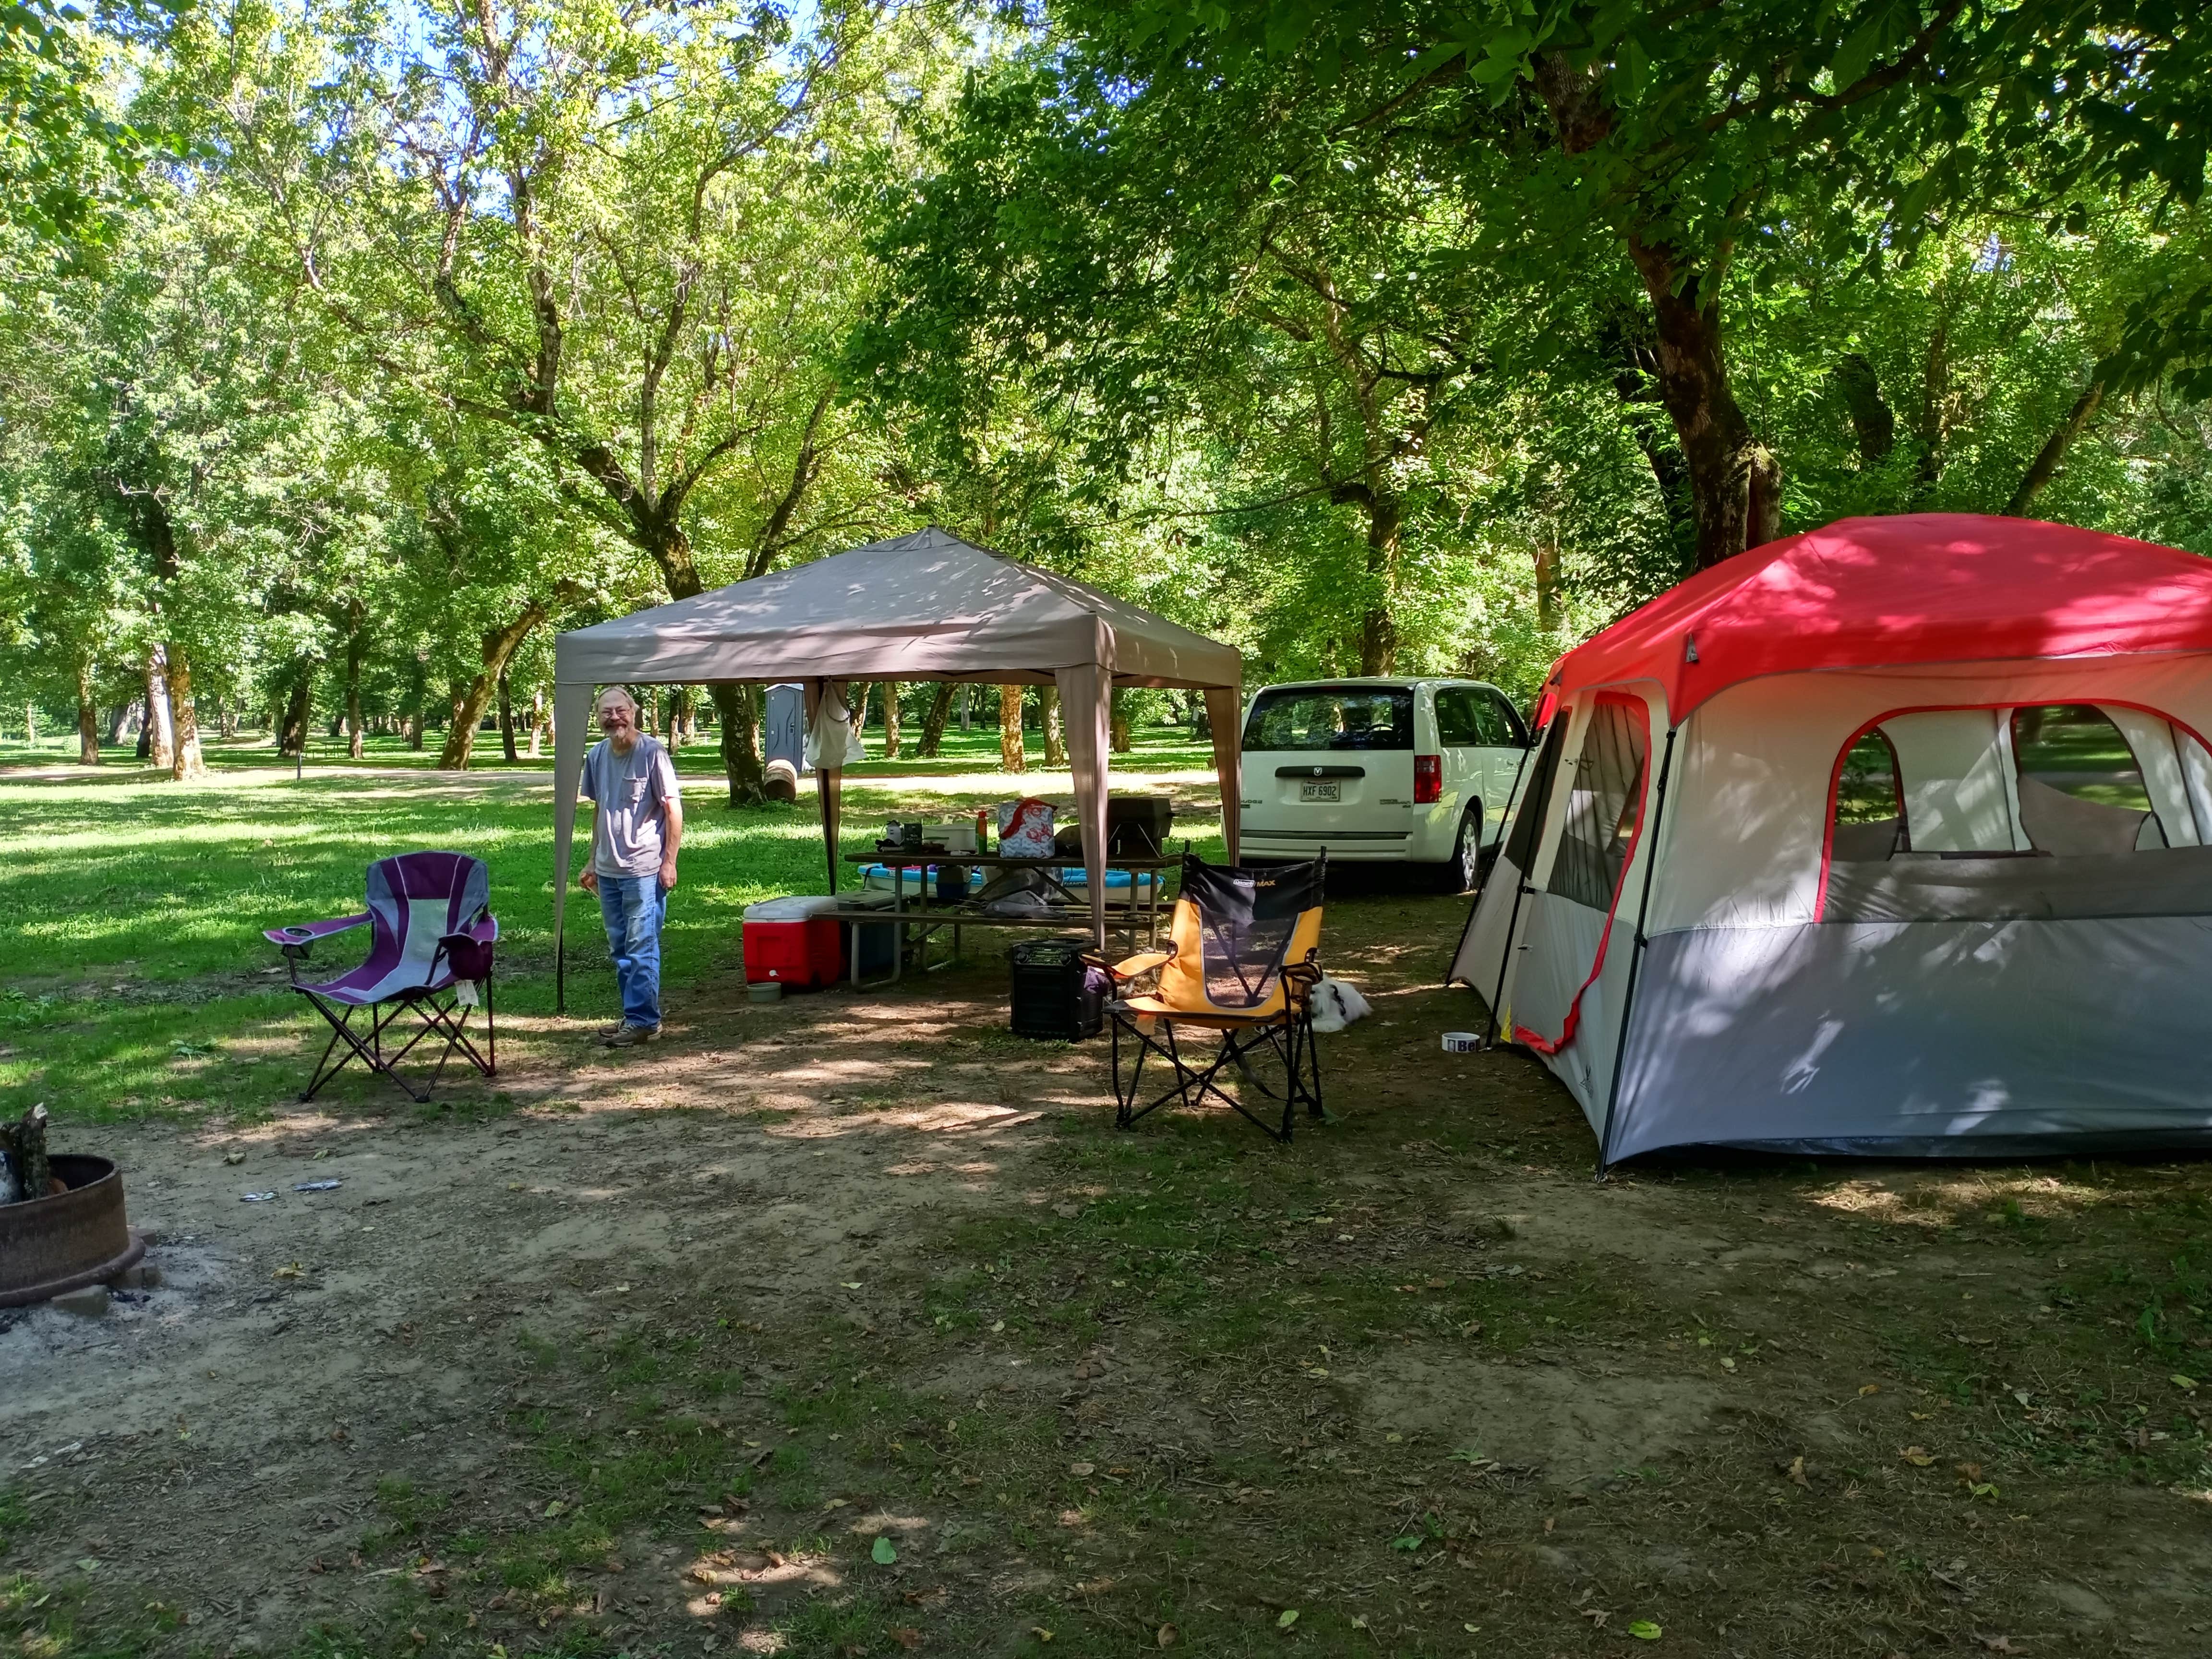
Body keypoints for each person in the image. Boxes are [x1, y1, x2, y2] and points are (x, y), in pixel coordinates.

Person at [578, 686, 682, 1046]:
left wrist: (669, 862)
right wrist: (592, 860)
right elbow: (599, 809)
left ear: (633, 712)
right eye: (606, 713)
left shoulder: (653, 753)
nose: (614, 718)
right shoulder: (596, 756)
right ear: (597, 718)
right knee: (620, 948)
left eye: (620, 710)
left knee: (642, 946)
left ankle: (643, 1021)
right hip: (608, 870)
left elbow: (673, 810)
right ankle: (633, 1015)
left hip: (644, 869)